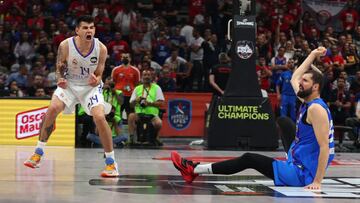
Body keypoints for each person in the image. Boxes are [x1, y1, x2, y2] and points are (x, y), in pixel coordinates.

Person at [171, 47, 335, 191]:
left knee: (249, 159)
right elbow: (294, 78)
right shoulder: (309, 101)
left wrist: (317, 182)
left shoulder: (316, 109)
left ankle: (193, 169)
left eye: (305, 81)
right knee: (284, 122)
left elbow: (325, 147)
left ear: (315, 87)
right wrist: (313, 55)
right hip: (301, 159)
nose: (299, 82)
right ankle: (292, 154)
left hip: (301, 174)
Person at [24, 15, 119, 177]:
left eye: (91, 27)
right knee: (53, 108)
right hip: (69, 84)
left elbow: (99, 75)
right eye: (85, 27)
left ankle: (111, 164)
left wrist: (96, 80)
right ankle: (38, 153)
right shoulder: (65, 45)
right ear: (77, 30)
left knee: (99, 117)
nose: (89, 30)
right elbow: (59, 66)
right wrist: (60, 78)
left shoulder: (101, 48)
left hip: (90, 88)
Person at [128, 69, 165, 145]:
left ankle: (156, 137)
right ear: (142, 77)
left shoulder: (157, 88)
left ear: (152, 77)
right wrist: (136, 100)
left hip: (152, 115)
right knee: (131, 116)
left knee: (159, 123)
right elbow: (131, 104)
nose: (146, 77)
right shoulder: (137, 88)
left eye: (148, 75)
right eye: (145, 75)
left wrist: (149, 103)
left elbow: (161, 103)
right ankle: (131, 138)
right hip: (139, 113)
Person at [111, 53, 140, 119]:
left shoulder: (135, 70)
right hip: (118, 95)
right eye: (123, 57)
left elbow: (137, 84)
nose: (125, 59)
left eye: (126, 57)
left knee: (130, 115)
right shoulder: (115, 69)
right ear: (121, 59)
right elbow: (113, 83)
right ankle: (118, 128)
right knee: (117, 114)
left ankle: (130, 128)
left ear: (130, 59)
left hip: (130, 95)